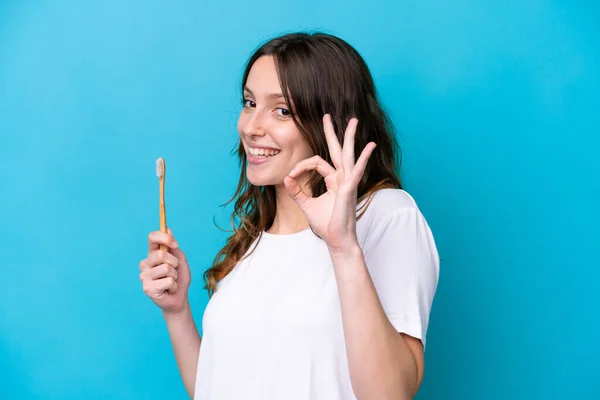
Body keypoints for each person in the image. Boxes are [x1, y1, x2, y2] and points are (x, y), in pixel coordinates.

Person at [139, 32, 440, 400]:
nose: (251, 127)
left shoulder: (386, 215)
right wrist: (177, 311)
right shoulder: (251, 244)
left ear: (331, 122)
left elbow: (390, 394)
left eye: (281, 110)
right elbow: (216, 387)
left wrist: (343, 248)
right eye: (249, 102)